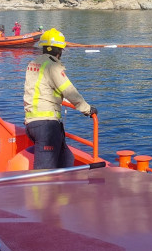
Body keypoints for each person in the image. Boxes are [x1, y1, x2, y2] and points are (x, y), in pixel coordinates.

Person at [23, 28, 97, 169]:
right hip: (47, 126)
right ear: (59, 51)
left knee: (66, 158)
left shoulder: (33, 64)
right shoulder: (52, 66)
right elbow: (69, 91)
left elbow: (43, 89)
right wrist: (87, 109)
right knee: (44, 171)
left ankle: (62, 190)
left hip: (32, 123)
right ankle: (42, 190)